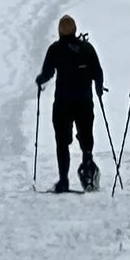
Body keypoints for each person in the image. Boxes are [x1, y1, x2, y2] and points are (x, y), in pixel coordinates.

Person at [34, 14, 106, 191]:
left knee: (62, 141)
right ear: (75, 30)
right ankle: (88, 174)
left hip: (63, 103)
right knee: (86, 138)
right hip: (84, 101)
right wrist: (98, 88)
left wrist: (40, 80)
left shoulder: (55, 49)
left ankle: (63, 180)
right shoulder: (86, 48)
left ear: (60, 31)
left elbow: (48, 73)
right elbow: (97, 72)